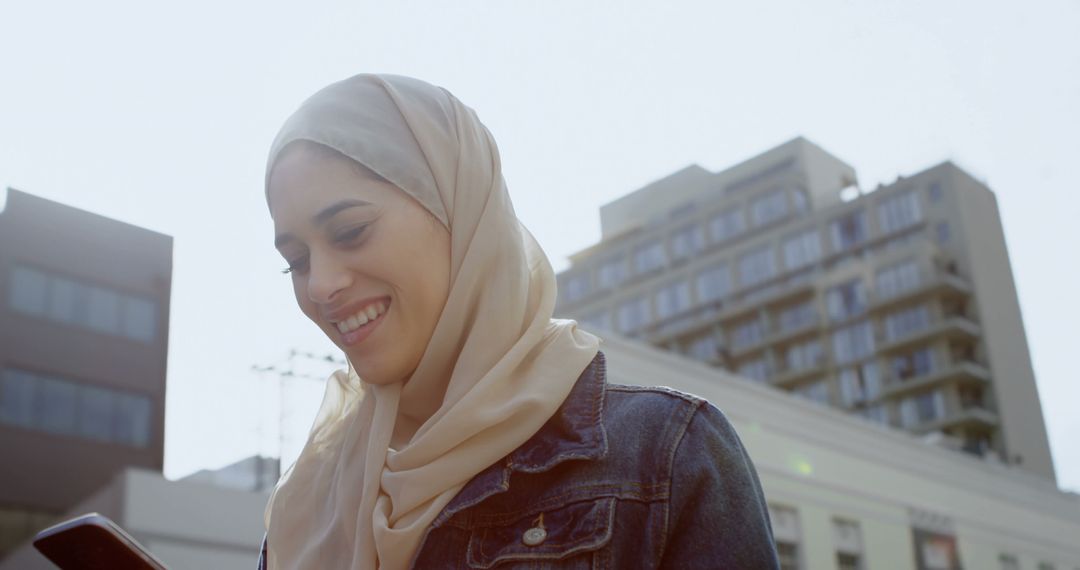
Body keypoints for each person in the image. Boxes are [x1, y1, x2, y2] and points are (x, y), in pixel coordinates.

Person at [259, 74, 779, 569]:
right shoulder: (309, 502)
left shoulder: (665, 457)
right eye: (296, 261)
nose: (320, 285)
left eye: (350, 231)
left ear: (460, 216)